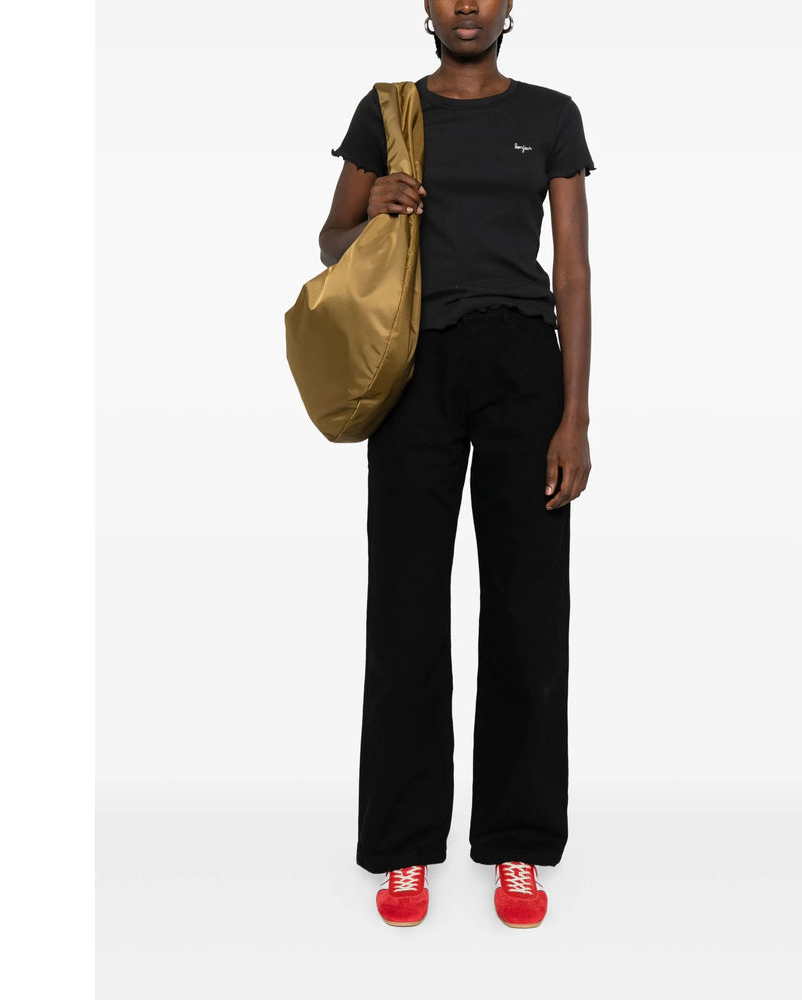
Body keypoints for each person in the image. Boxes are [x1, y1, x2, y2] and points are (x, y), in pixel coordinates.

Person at [319, 1, 594, 929]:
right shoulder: (387, 111)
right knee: (405, 604)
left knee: (527, 608)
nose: (466, 6)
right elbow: (332, 241)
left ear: (510, 8)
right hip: (415, 365)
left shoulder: (550, 114)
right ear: (427, 8)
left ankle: (517, 839)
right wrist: (373, 210)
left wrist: (574, 416)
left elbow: (573, 271)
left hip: (523, 366)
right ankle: (403, 846)